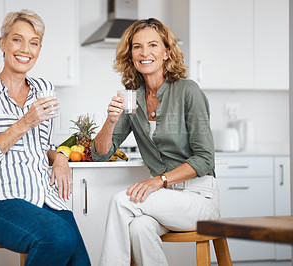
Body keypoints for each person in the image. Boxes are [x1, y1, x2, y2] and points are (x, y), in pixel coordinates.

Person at [0, 9, 90, 266]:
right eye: (17, 40)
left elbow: (46, 146)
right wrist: (24, 123)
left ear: (40, 49)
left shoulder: (45, 89)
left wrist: (61, 158)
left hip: (43, 198)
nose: (25, 49)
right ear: (2, 43)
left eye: (34, 43)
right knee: (58, 237)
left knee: (81, 263)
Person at [92, 18, 220, 266]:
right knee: (139, 228)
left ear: (166, 52)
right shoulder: (133, 98)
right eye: (137, 47)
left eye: (152, 45)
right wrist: (110, 121)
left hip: (199, 199)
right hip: (165, 201)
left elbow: (205, 159)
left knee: (121, 201)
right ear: (130, 55)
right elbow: (101, 154)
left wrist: (158, 181)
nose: (144, 52)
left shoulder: (187, 91)